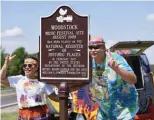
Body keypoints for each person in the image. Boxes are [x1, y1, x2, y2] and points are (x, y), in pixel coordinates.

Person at [88, 36, 139, 120]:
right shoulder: (90, 63)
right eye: (91, 47)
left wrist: (117, 69)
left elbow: (133, 79)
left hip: (123, 111)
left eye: (97, 47)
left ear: (104, 47)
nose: (93, 50)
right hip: (105, 111)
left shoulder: (115, 58)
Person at [0, 55, 57, 120]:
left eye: (30, 65)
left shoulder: (43, 83)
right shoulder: (19, 80)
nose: (27, 67)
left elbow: (55, 98)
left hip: (40, 116)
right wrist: (6, 63)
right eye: (25, 65)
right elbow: (1, 78)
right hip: (23, 116)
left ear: (37, 67)